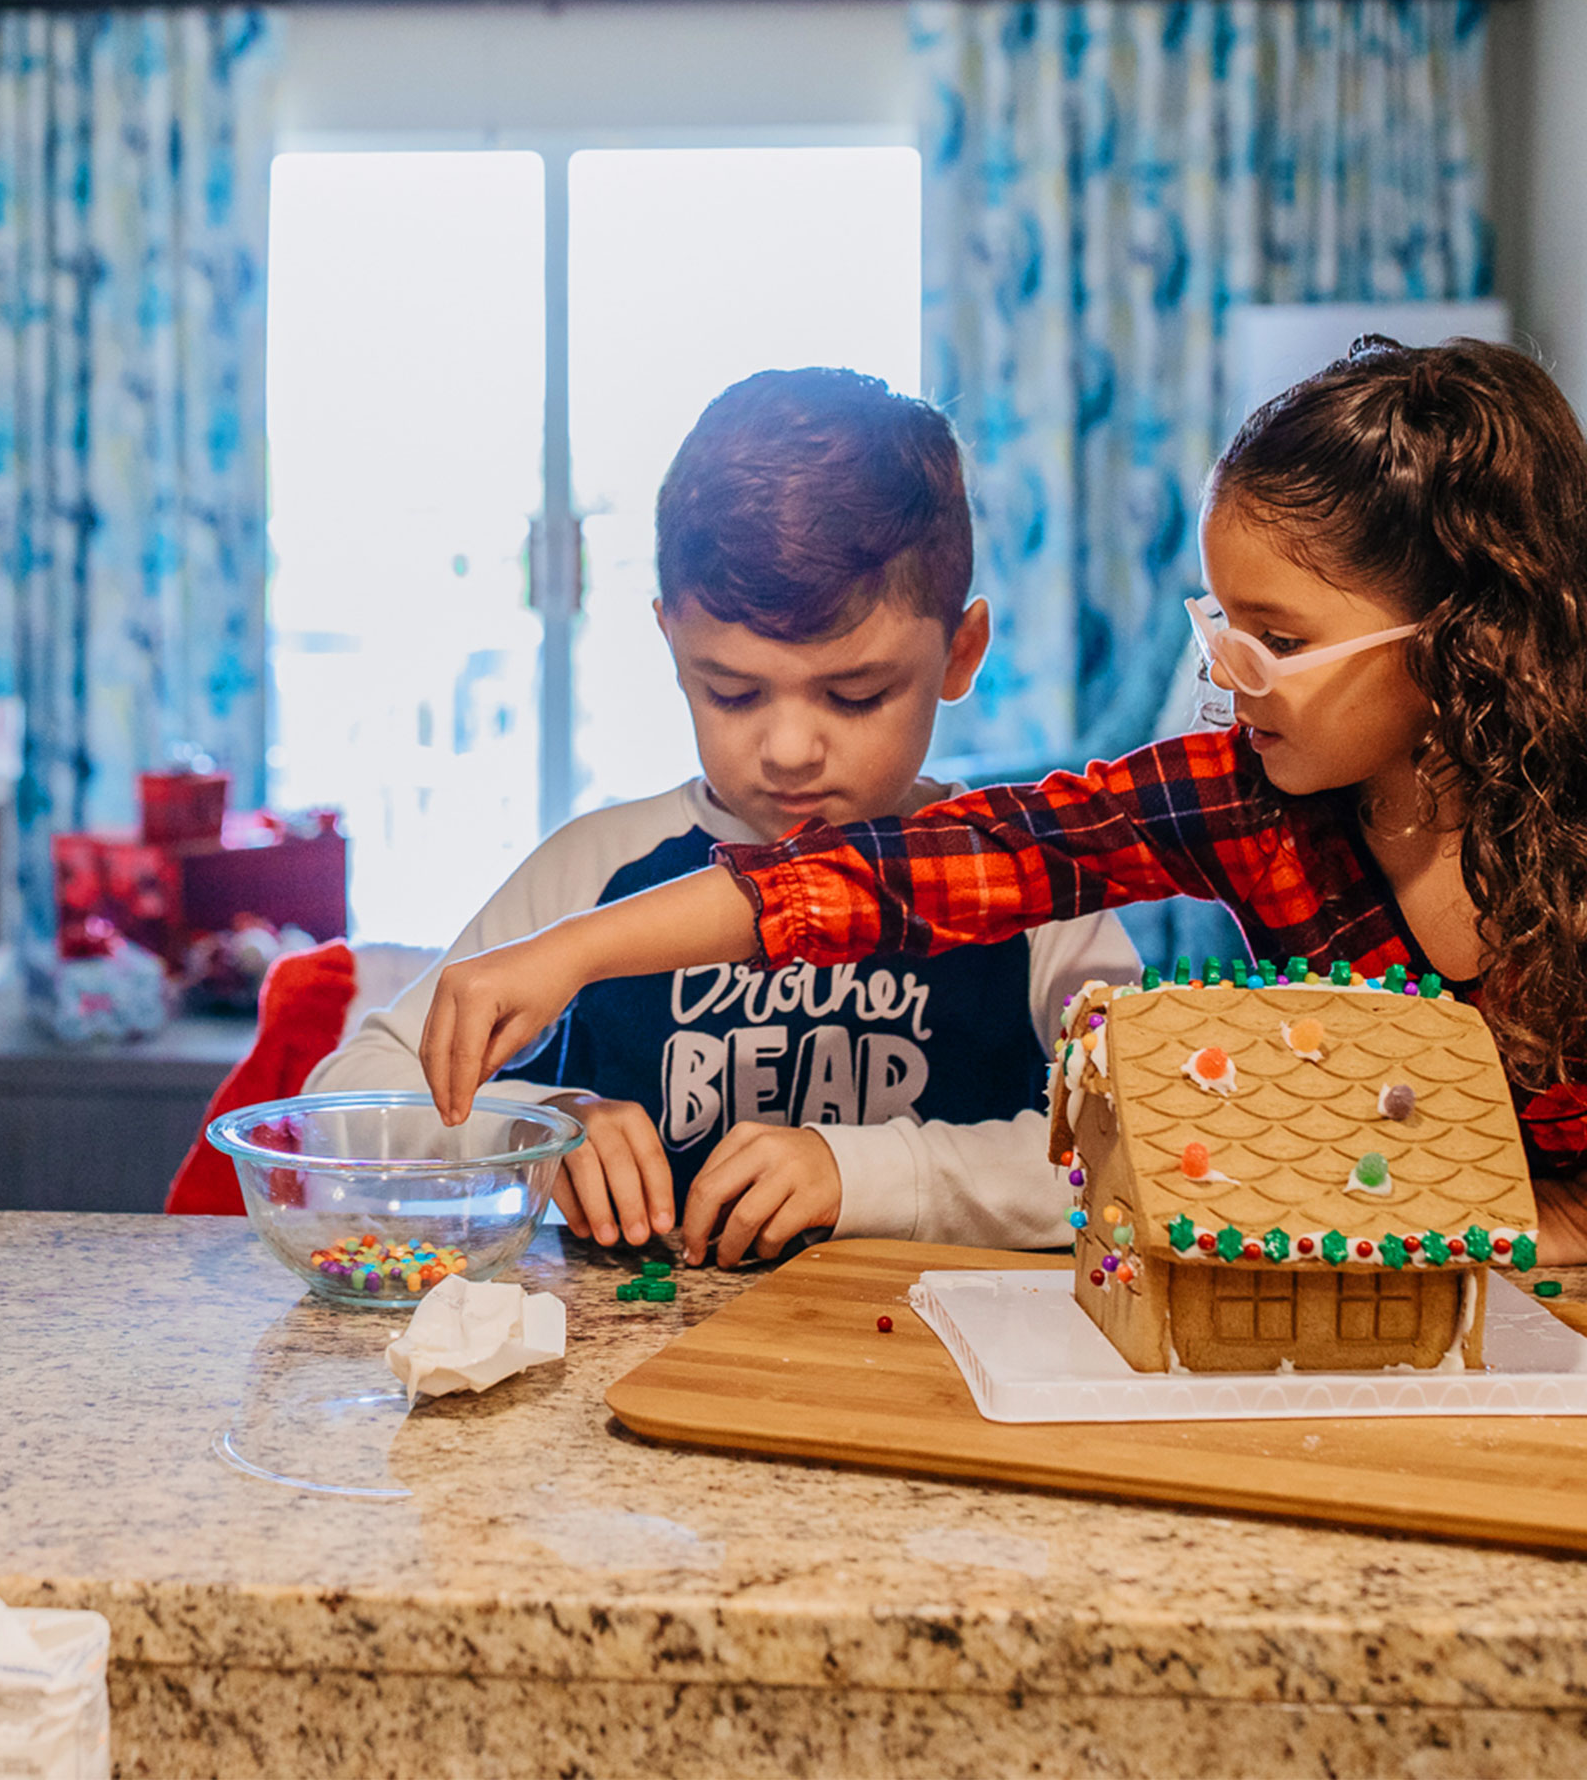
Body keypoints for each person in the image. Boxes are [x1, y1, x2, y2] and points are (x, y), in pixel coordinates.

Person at [415, 338, 1587, 1264]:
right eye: (1220, 622)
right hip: (1544, 1289)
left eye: (1280, 641)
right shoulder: (1248, 799)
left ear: (1462, 639)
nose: (1228, 674)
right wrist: (565, 955)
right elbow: (944, 861)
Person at [314, 368, 1138, 1266]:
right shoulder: (597, 867)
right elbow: (351, 1095)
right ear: (672, 647)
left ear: (961, 652)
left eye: (856, 694)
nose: (788, 749)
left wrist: (867, 1174)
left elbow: (1142, 1151)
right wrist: (538, 1130)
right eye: (734, 692)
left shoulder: (1028, 882)